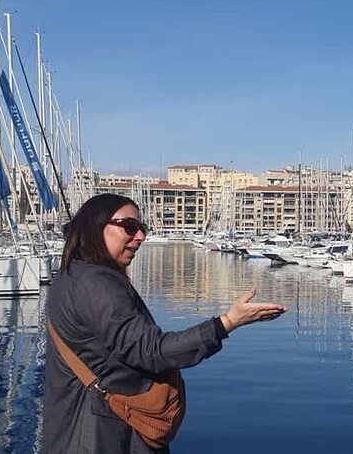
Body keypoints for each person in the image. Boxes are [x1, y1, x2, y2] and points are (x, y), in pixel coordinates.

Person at [42, 193, 288, 453]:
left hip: (78, 431)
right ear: (96, 225)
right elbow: (151, 351)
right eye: (129, 226)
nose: (140, 236)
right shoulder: (97, 282)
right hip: (104, 435)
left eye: (142, 228)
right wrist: (227, 323)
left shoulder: (71, 276)